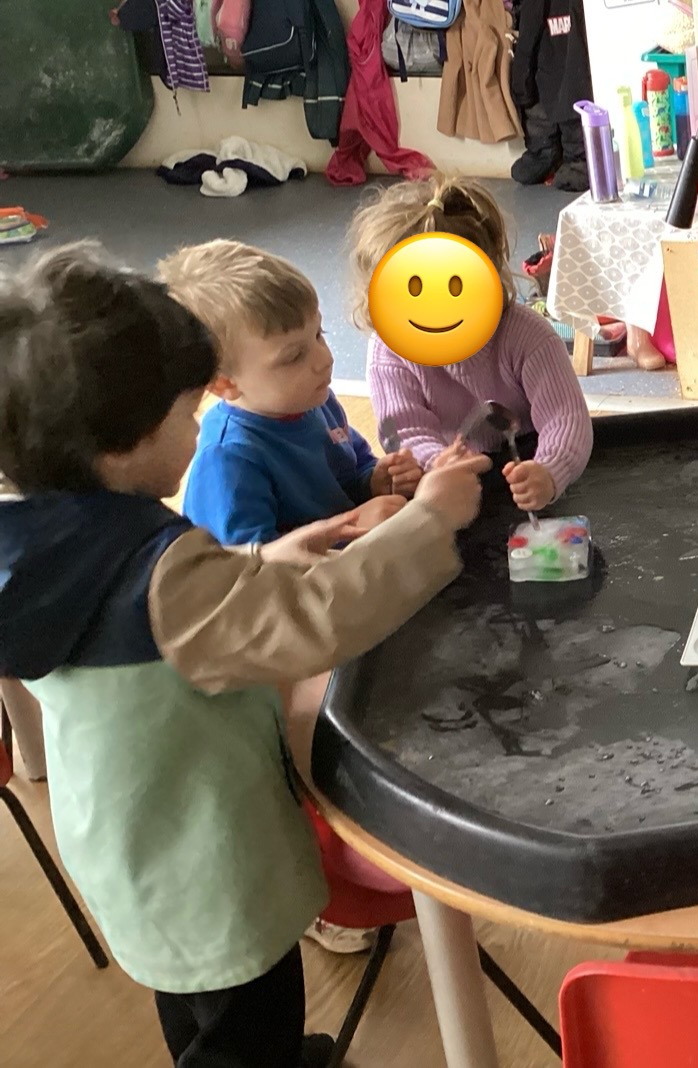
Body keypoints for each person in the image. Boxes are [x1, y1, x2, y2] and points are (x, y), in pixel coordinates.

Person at [0, 241, 492, 1068]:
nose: (198, 428)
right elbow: (317, 617)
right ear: (120, 445)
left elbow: (181, 606)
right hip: (212, 863)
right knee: (245, 1025)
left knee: (194, 998)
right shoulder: (162, 578)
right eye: (183, 415)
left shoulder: (41, 539)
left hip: (133, 851)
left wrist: (269, 555)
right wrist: (430, 519)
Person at [350, 174, 594, 513]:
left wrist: (549, 472)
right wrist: (437, 463)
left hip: (526, 462)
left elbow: (565, 418)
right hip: (450, 482)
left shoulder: (527, 336)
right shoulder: (389, 351)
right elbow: (403, 430)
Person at [163, 240, 422, 549]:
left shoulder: (313, 400)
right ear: (224, 384)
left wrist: (375, 480)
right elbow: (250, 566)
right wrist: (350, 527)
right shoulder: (229, 460)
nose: (325, 359)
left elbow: (352, 469)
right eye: (294, 356)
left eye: (319, 334)